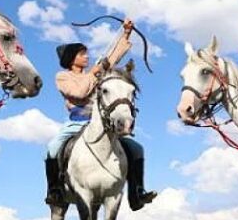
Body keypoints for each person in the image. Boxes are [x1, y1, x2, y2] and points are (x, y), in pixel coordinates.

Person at [46, 19, 157, 210]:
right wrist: (94, 73)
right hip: (76, 123)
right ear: (72, 59)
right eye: (82, 54)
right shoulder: (63, 77)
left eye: (86, 53)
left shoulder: (95, 73)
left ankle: (136, 193)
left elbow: (112, 57)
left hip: (101, 123)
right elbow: (78, 92)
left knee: (136, 149)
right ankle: (55, 191)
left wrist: (126, 33)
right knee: (53, 148)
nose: (86, 57)